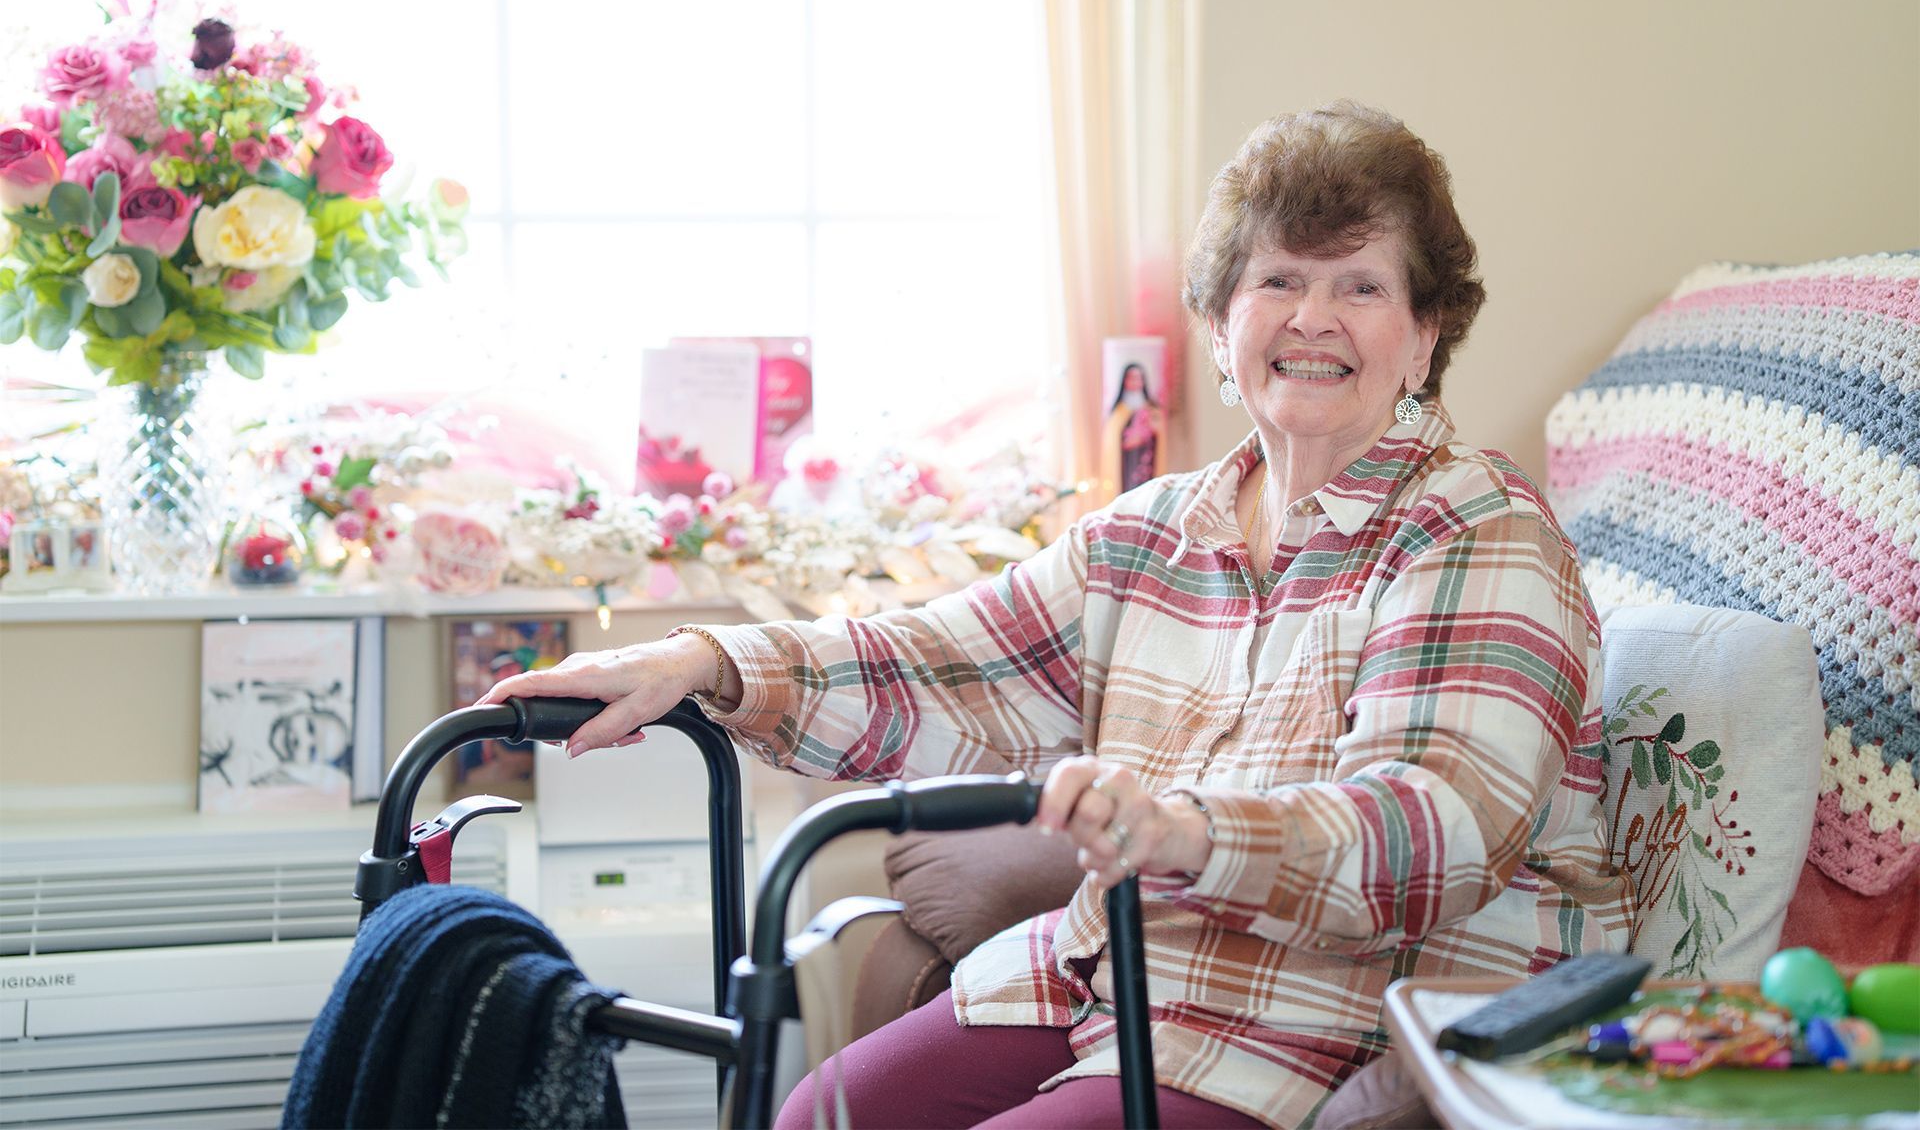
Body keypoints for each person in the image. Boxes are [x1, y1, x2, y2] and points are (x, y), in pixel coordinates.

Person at [476, 102, 1631, 1129]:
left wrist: (1184, 831)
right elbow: (938, 661)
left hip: (1322, 1015)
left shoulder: (1477, 527)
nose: (1312, 315)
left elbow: (1430, 836)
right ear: (1224, 325)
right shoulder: (1156, 529)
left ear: (1427, 335)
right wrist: (707, 659)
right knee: (818, 1109)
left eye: (1362, 285)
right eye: (1278, 278)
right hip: (1113, 965)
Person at [1101, 362, 1166, 494]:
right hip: (1127, 463)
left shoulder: (1152, 409)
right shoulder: (1118, 412)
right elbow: (1113, 440)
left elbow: (1159, 434)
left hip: (1146, 460)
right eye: (1132, 378)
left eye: (1139, 378)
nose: (1136, 381)